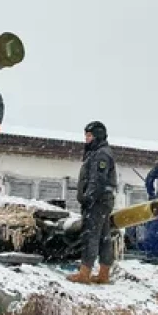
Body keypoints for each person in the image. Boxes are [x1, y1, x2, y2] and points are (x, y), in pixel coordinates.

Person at [67, 121, 118, 285]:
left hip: (97, 201)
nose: (86, 139)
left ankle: (84, 273)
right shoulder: (99, 152)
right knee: (104, 237)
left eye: (89, 136)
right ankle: (104, 274)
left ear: (97, 136)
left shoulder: (100, 154)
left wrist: (89, 198)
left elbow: (97, 180)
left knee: (91, 235)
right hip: (103, 200)